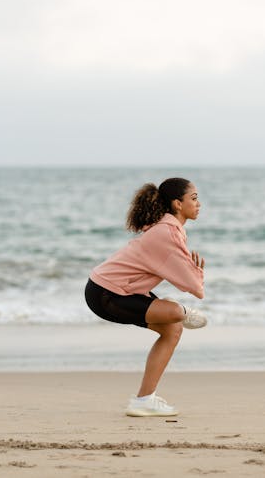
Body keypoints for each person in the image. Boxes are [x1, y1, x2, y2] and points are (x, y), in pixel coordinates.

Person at [84, 177, 207, 417]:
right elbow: (194, 286)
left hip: (117, 289)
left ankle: (144, 400)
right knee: (174, 313)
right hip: (106, 292)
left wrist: (192, 273)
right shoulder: (167, 233)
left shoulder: (169, 229)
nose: (199, 203)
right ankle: (184, 313)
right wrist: (197, 272)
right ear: (177, 204)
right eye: (193, 198)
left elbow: (183, 277)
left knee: (172, 330)